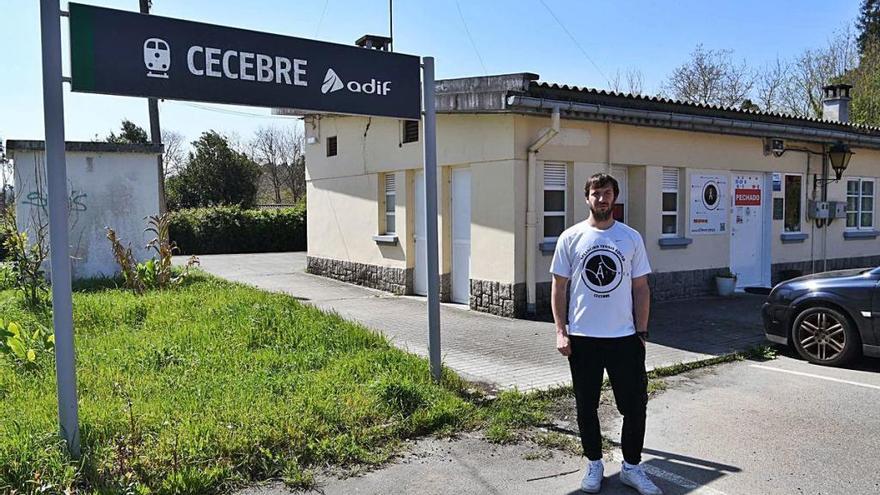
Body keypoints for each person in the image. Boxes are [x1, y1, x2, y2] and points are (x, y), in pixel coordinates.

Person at [550, 173, 661, 495]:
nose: (602, 199)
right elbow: (559, 287)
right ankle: (594, 464)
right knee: (587, 406)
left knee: (634, 406)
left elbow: (641, 288)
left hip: (624, 338)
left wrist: (641, 332)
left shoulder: (630, 238)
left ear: (615, 197)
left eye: (608, 193)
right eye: (596, 193)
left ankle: (631, 467)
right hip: (583, 338)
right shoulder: (571, 237)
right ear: (587, 198)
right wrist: (561, 331)